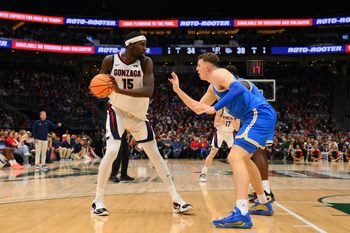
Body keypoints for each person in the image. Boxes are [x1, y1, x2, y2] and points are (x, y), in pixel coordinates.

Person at [169, 52, 276, 229]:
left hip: (258, 114)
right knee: (244, 160)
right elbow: (198, 108)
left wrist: (215, 108)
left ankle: (241, 212)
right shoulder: (213, 87)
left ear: (208, 66)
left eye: (198, 65)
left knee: (234, 158)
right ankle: (263, 201)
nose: (196, 69)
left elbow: (239, 88)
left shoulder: (219, 73)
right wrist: (178, 90)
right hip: (255, 117)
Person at [91, 31, 192, 216]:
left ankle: (176, 199)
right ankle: (97, 200)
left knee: (155, 156)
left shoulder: (146, 62)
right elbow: (100, 86)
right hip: (117, 112)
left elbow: (148, 91)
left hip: (139, 116)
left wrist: (118, 89)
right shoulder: (109, 61)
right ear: (130, 45)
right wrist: (104, 90)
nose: (145, 48)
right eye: (142, 45)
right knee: (112, 150)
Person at [225, 64, 275, 203]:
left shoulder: (241, 82)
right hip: (257, 118)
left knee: (257, 153)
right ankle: (262, 191)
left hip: (262, 117)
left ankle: (265, 191)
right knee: (250, 156)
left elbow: (242, 88)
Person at [199, 108, 240, 182]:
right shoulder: (221, 110)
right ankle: (203, 172)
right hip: (220, 133)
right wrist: (221, 122)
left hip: (230, 134)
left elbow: (237, 128)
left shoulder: (236, 111)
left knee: (236, 155)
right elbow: (215, 124)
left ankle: (240, 174)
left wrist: (232, 121)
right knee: (212, 153)